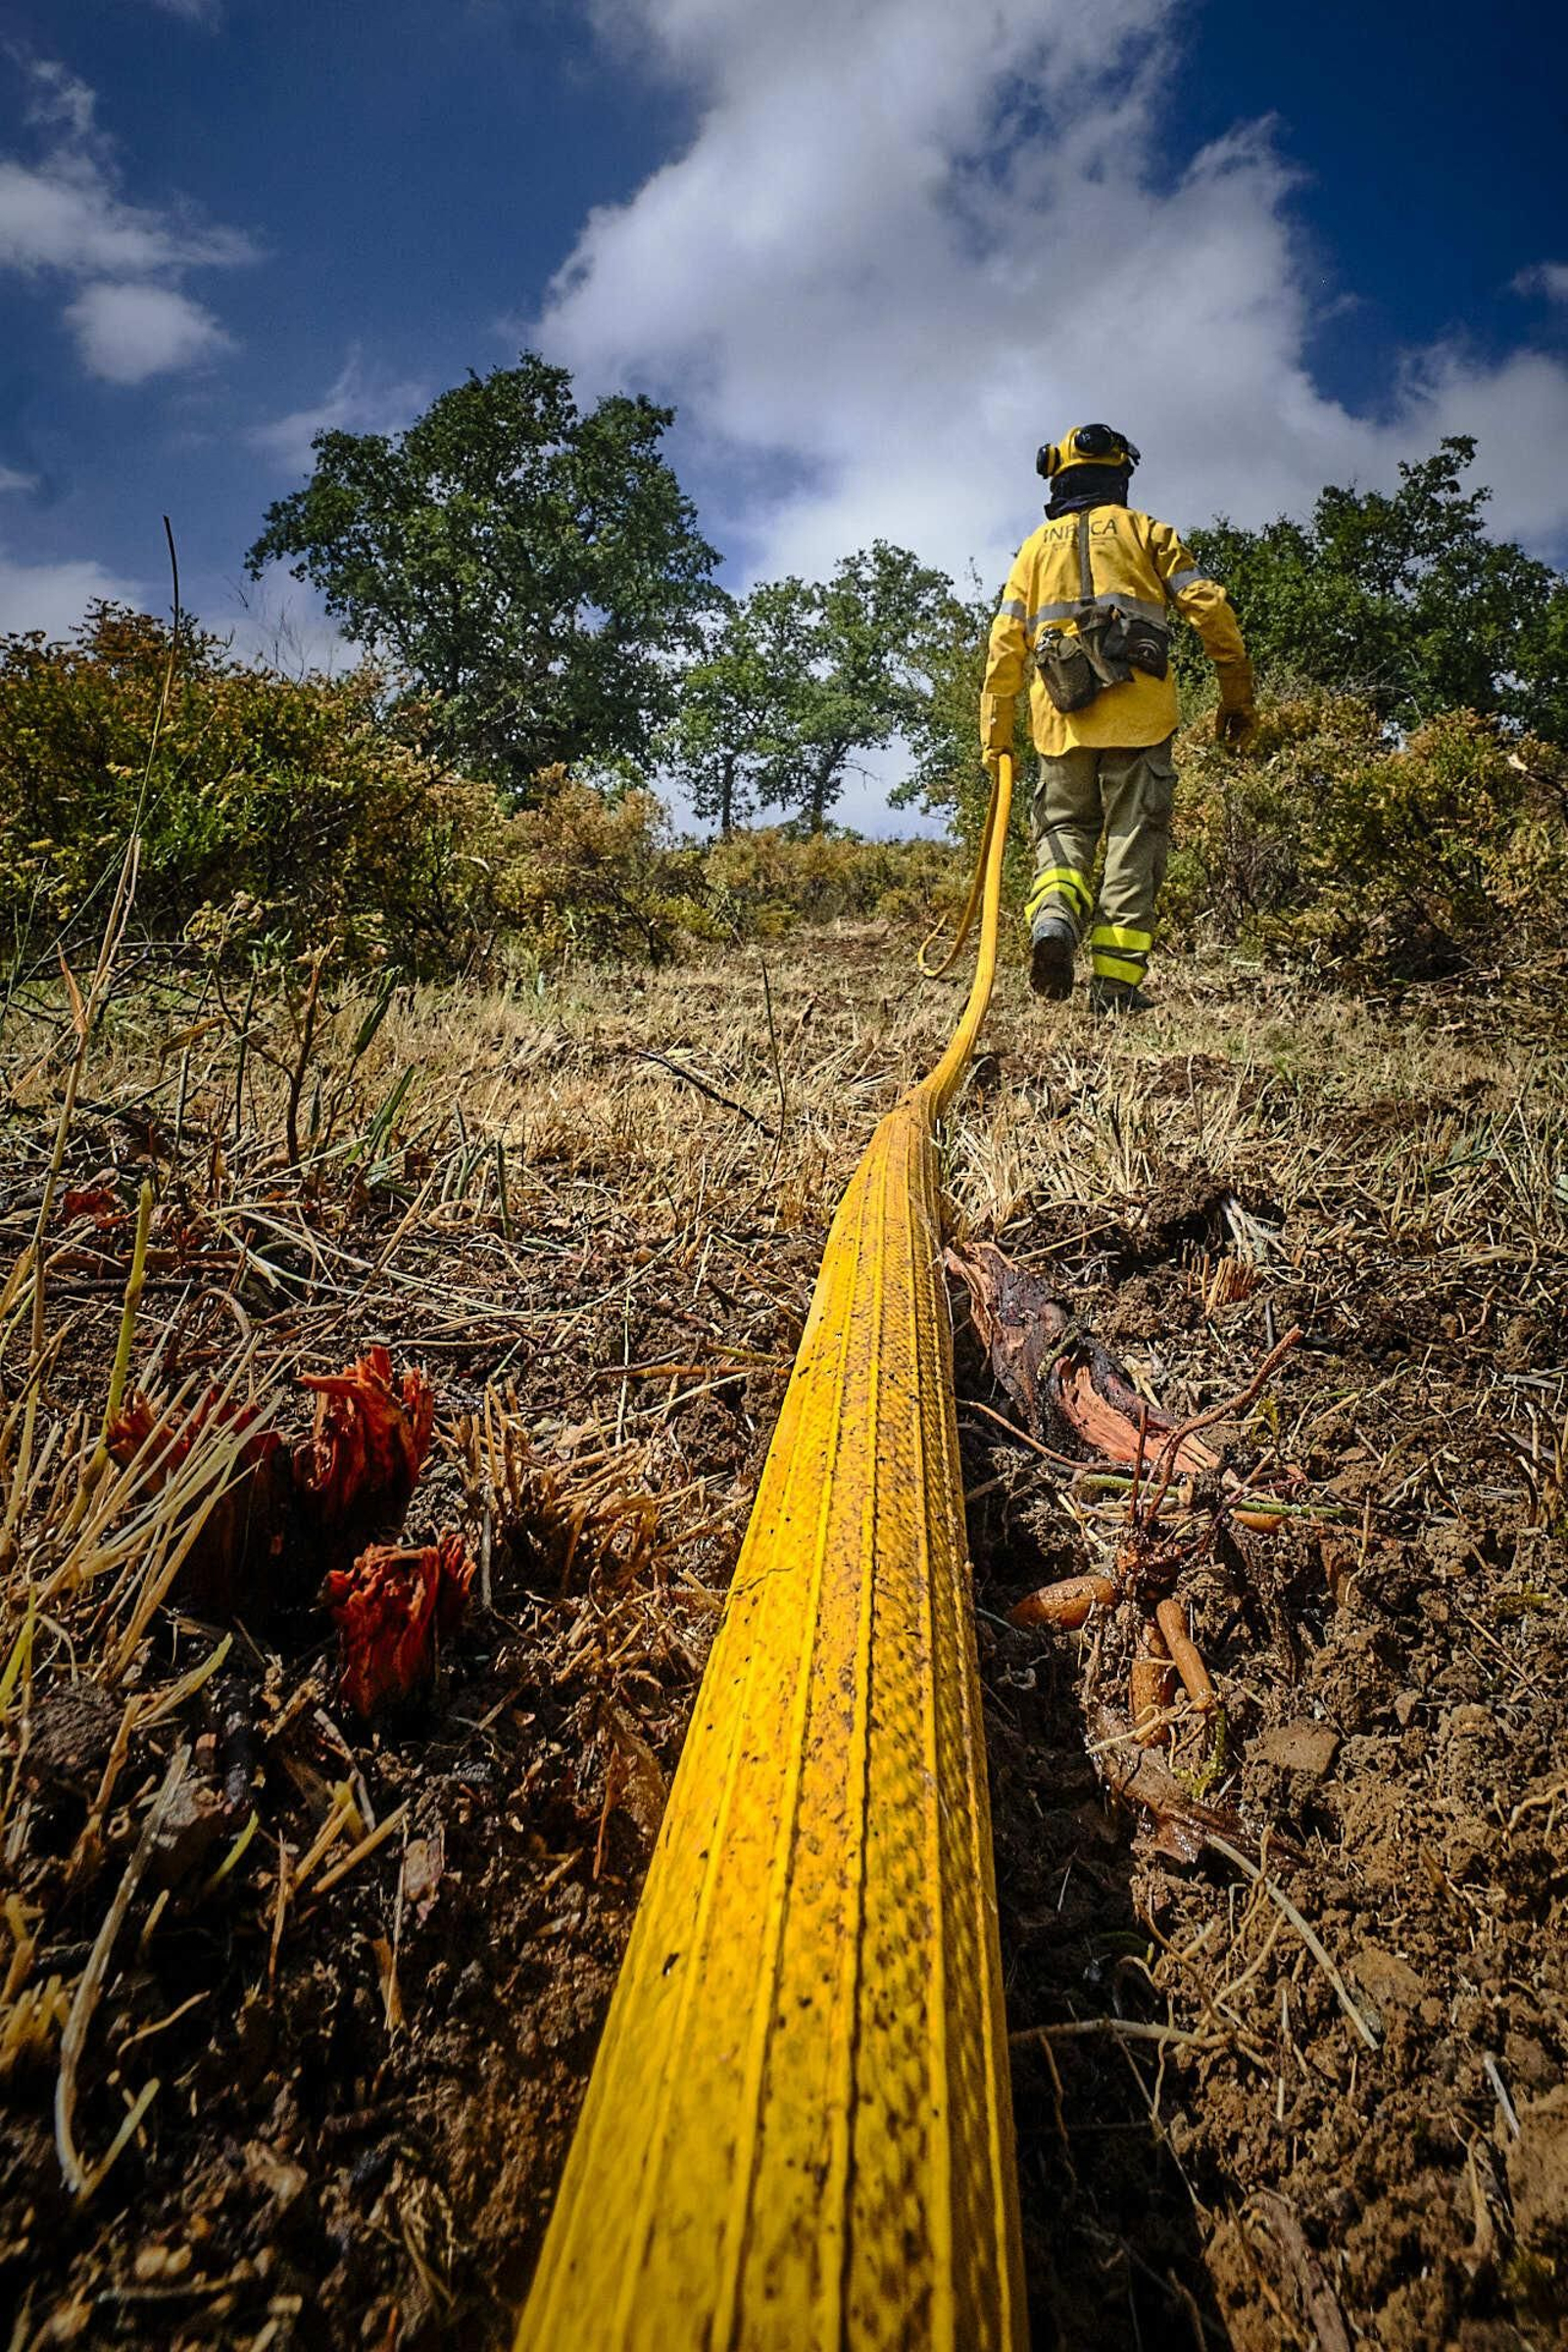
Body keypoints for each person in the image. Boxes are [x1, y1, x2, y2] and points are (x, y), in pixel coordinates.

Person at [979, 422, 1255, 1012]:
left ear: (1058, 478)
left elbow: (1006, 643)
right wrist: (1236, 697)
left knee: (1063, 831)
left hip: (1061, 723)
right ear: (1119, 474)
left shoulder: (1033, 548)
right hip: (1141, 719)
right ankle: (1114, 990)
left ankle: (1054, 920)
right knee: (1134, 840)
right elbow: (1210, 610)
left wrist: (996, 737)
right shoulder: (1150, 532)